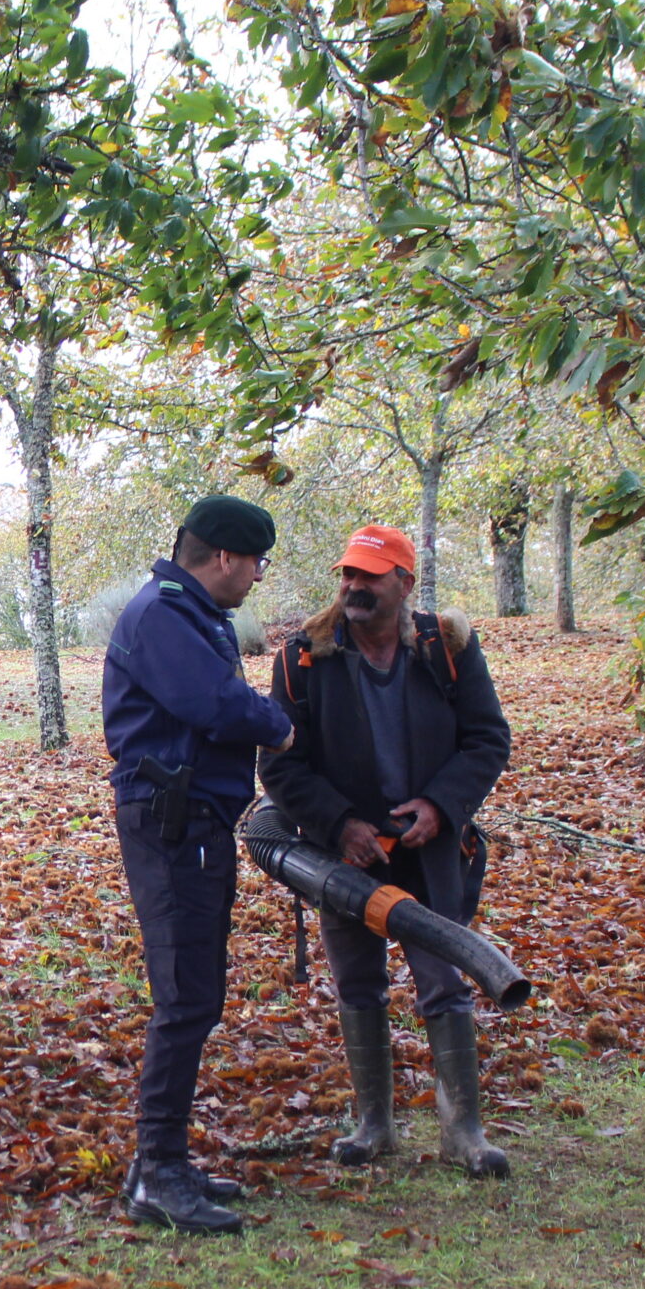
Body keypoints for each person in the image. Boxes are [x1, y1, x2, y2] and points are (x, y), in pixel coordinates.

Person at [259, 524, 514, 1176]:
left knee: (443, 981)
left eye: (370, 576)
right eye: (348, 573)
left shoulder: (447, 648)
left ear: (404, 582)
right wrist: (340, 824)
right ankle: (374, 1123)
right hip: (347, 857)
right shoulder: (303, 658)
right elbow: (281, 769)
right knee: (358, 982)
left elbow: (486, 739)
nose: (354, 587)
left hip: (430, 853)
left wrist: (441, 804)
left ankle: (465, 1133)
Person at [102, 495, 295, 1233]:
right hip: (171, 823)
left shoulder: (188, 613)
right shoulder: (162, 616)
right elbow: (214, 704)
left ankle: (164, 1160)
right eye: (255, 564)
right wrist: (277, 725)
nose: (254, 578)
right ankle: (157, 1171)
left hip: (197, 821)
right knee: (185, 997)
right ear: (223, 557)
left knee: (198, 993)